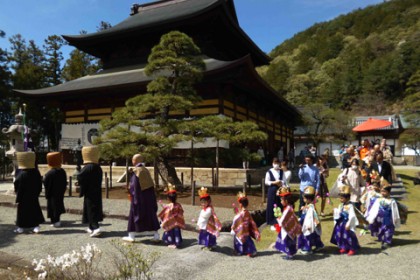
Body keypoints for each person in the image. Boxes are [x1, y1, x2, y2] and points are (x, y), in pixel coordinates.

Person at [123, 154, 160, 242]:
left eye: (133, 159)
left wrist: (131, 194)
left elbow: (134, 186)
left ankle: (132, 235)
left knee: (135, 214)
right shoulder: (145, 170)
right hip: (148, 198)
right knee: (150, 214)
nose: (132, 160)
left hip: (138, 197)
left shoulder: (137, 171)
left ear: (135, 160)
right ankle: (155, 235)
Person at [13, 152, 45, 234]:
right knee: (34, 210)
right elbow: (39, 185)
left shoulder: (21, 174)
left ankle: (21, 227)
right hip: (33, 196)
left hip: (23, 197)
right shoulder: (36, 172)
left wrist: (18, 196)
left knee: (22, 212)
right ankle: (36, 226)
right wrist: (37, 193)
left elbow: (17, 186)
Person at [77, 146, 104, 237]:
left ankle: (96, 228)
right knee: (91, 208)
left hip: (89, 192)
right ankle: (90, 227)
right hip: (96, 190)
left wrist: (80, 183)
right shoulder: (98, 167)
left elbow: (80, 176)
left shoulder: (88, 167)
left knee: (91, 209)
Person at [366, 180, 400, 249]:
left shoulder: (392, 201)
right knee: (381, 229)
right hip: (379, 218)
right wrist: (371, 217)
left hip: (388, 219)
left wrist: (395, 218)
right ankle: (382, 239)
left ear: (389, 192)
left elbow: (395, 211)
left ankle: (387, 242)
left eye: (384, 191)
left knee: (388, 230)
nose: (382, 193)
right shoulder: (378, 200)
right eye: (381, 191)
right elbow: (374, 209)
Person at [330, 186, 360, 256]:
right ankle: (344, 246)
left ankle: (352, 248)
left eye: (342, 198)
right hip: (341, 223)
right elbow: (339, 212)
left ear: (347, 198)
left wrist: (349, 224)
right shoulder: (341, 205)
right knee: (341, 235)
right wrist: (335, 211)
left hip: (347, 223)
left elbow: (352, 215)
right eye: (340, 198)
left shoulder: (350, 206)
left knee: (349, 236)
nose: (340, 199)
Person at [274, 187, 302, 260]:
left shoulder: (288, 210)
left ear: (286, 200)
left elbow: (282, 221)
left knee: (287, 242)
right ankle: (291, 253)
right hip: (290, 228)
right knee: (290, 241)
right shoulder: (289, 208)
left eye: (281, 200)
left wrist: (278, 218)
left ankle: (289, 254)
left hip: (288, 230)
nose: (280, 201)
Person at [231, 192, 261, 257]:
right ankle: (251, 251)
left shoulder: (240, 214)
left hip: (241, 231)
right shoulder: (247, 213)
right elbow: (252, 223)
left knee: (238, 239)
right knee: (248, 241)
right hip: (246, 231)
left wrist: (233, 226)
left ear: (240, 204)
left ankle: (239, 251)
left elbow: (236, 221)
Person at [298, 186, 324, 254]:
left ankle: (308, 249)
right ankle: (319, 245)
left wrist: (309, 225)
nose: (303, 199)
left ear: (309, 199)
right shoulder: (308, 205)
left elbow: (311, 217)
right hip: (306, 223)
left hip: (309, 224)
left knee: (308, 236)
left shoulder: (311, 207)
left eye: (304, 198)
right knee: (314, 235)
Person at [43, 152, 67, 227]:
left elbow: (47, 184)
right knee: (58, 206)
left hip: (52, 193)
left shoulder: (49, 173)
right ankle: (57, 220)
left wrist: (47, 193)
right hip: (60, 192)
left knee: (53, 208)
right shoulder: (62, 171)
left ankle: (55, 221)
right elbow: (64, 183)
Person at [158, 184, 185, 248]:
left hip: (170, 222)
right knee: (176, 233)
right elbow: (181, 212)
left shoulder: (169, 206)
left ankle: (171, 243)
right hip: (176, 222)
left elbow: (165, 212)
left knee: (170, 232)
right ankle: (177, 242)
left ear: (168, 198)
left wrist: (161, 204)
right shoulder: (178, 205)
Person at [265, 158, 284, 230]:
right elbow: (266, 182)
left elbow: (284, 181)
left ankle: (279, 220)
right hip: (272, 190)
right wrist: (274, 182)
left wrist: (281, 183)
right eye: (274, 162)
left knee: (279, 204)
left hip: (280, 190)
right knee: (272, 205)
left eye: (277, 163)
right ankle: (271, 222)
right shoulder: (269, 171)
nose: (276, 164)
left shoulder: (281, 171)